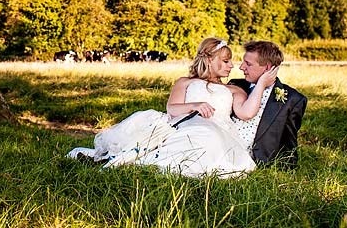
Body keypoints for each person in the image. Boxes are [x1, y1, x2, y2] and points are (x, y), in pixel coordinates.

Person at [68, 37, 277, 178]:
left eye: (231, 61)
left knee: (208, 137)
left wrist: (261, 84)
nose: (232, 66)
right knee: (187, 137)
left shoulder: (234, 90)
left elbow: (247, 113)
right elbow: (172, 109)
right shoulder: (185, 82)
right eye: (225, 61)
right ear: (208, 60)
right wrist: (195, 105)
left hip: (217, 130)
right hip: (183, 125)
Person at [228, 40, 307, 167]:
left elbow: (289, 140)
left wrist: (289, 165)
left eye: (248, 64)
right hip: (224, 145)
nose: (241, 67)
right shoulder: (236, 85)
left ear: (268, 68)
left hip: (255, 161)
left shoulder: (293, 99)